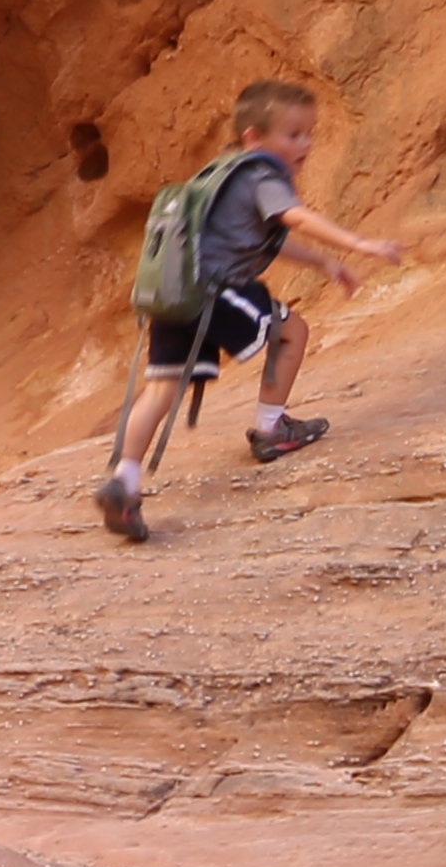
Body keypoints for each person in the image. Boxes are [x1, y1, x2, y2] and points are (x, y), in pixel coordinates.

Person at [98, 77, 406, 540]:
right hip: (214, 291)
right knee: (292, 330)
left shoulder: (221, 174)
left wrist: (323, 261)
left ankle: (125, 480)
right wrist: (357, 243)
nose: (305, 144)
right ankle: (271, 429)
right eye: (293, 134)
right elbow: (294, 217)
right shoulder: (262, 174)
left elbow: (271, 238)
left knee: (160, 390)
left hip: (172, 294)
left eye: (309, 133)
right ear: (254, 138)